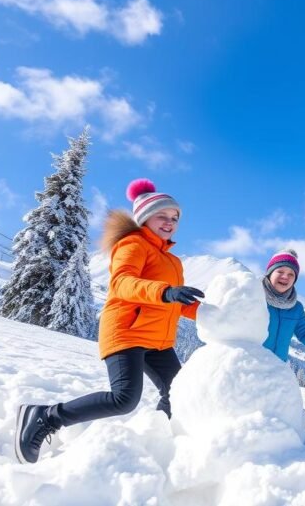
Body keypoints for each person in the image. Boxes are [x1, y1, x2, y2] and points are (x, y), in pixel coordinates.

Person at [14, 179, 205, 464]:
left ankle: (160, 445)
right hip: (126, 331)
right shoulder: (133, 244)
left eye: (174, 218)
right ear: (144, 218)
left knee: (178, 393)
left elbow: (175, 304)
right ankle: (45, 417)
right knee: (123, 398)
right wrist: (165, 292)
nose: (169, 222)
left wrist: (210, 313)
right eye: (162, 216)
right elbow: (123, 284)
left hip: (158, 340)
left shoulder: (173, 262)